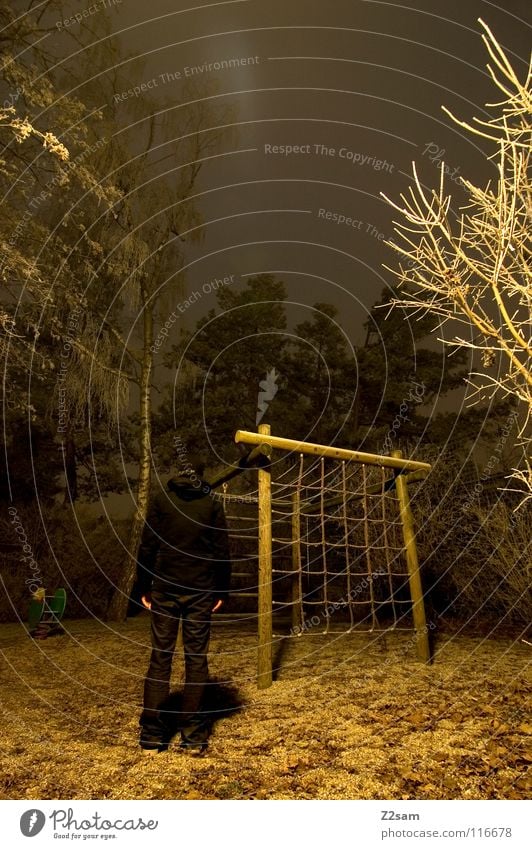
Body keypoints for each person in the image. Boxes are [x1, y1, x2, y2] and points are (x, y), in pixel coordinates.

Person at [135, 453, 231, 754]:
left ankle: (152, 735)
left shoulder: (162, 501)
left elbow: (147, 545)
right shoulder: (212, 503)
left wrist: (143, 587)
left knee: (160, 658)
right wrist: (221, 591)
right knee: (196, 659)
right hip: (201, 590)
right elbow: (222, 550)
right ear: (201, 476)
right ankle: (193, 736)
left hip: (165, 587)